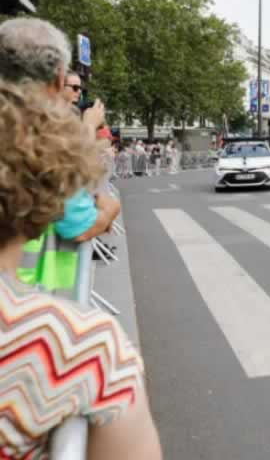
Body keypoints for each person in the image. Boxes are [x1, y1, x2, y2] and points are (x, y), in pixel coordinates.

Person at [0, 82, 162, 459]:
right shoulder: (82, 348)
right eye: (70, 84)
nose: (75, 91)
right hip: (37, 298)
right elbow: (77, 220)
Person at [0, 19, 119, 245]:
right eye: (72, 86)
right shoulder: (42, 140)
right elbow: (78, 226)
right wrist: (112, 208)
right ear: (57, 80)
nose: (77, 93)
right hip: (27, 274)